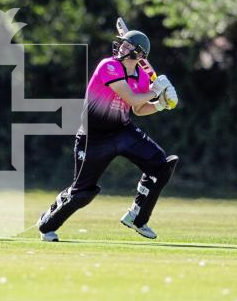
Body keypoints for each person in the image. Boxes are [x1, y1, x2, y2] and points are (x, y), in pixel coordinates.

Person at [37, 29, 179, 241]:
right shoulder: (108, 66)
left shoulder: (140, 76)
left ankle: (137, 217)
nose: (122, 47)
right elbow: (131, 98)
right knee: (82, 193)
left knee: (161, 166)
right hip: (93, 138)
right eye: (122, 43)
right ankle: (47, 224)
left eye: (128, 46)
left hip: (123, 131)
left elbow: (139, 109)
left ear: (140, 55)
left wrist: (160, 105)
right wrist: (156, 90)